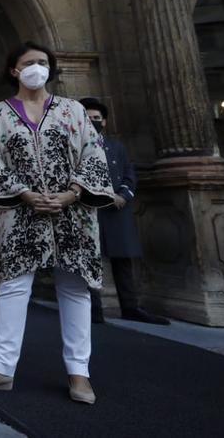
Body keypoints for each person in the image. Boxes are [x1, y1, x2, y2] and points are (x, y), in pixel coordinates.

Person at [0, 42, 113, 405]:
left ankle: (80, 373)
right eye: (29, 63)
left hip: (73, 212)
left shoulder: (72, 110)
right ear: (14, 70)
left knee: (75, 288)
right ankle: (1, 368)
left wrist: (74, 192)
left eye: (43, 62)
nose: (37, 68)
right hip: (20, 211)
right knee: (14, 287)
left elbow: (93, 153)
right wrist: (24, 193)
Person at [80, 97, 170, 326]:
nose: (93, 122)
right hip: (88, 211)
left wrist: (123, 195)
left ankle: (130, 306)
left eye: (97, 118)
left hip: (117, 210)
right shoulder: (75, 146)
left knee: (123, 261)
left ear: (105, 122)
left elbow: (129, 174)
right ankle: (93, 310)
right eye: (88, 118)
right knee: (90, 262)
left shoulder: (116, 147)